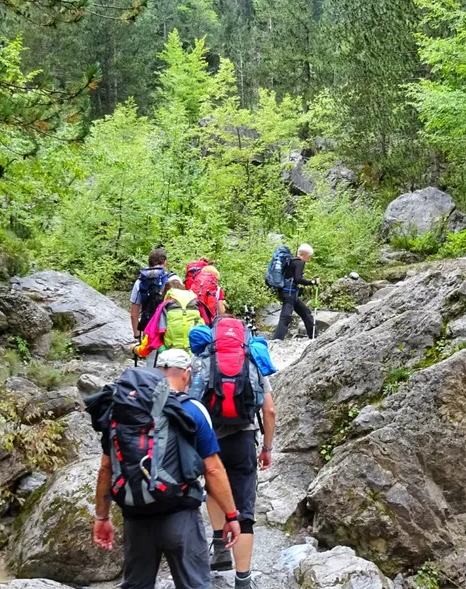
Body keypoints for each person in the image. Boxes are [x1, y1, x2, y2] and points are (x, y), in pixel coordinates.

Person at [92, 350, 242, 589]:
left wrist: (102, 516)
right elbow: (212, 470)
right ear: (186, 374)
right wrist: (232, 515)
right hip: (179, 514)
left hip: (135, 517)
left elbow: (106, 468)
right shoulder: (191, 409)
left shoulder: (122, 410)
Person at [203, 321, 277, 589]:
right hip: (244, 437)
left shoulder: (204, 356)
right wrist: (267, 448)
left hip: (210, 440)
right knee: (244, 510)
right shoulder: (252, 357)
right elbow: (269, 410)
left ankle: (220, 549)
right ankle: (242, 581)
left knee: (213, 488)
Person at [273, 244, 319, 340]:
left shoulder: (292, 261)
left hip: (287, 292)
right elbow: (298, 279)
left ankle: (314, 336)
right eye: (309, 256)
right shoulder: (300, 262)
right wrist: (312, 282)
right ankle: (277, 339)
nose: (309, 258)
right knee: (286, 316)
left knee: (305, 312)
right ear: (305, 254)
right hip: (289, 292)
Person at [131, 247, 176, 343]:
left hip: (149, 330)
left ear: (148, 263)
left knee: (150, 356)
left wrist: (137, 336)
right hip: (170, 329)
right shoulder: (174, 279)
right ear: (165, 263)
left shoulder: (140, 281)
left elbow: (134, 315)